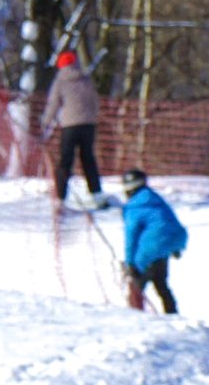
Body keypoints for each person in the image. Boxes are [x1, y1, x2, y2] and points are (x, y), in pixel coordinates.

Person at [40, 48, 106, 209]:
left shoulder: (60, 81)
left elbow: (53, 104)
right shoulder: (86, 79)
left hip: (69, 126)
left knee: (65, 161)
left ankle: (60, 196)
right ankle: (96, 194)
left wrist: (45, 122)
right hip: (88, 125)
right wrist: (93, 118)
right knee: (88, 159)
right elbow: (95, 101)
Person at [120, 168, 188, 314]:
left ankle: (135, 316)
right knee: (161, 284)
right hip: (163, 251)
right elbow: (171, 225)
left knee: (137, 287)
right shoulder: (156, 200)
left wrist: (130, 262)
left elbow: (131, 237)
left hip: (148, 252)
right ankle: (172, 314)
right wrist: (176, 247)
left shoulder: (134, 207)